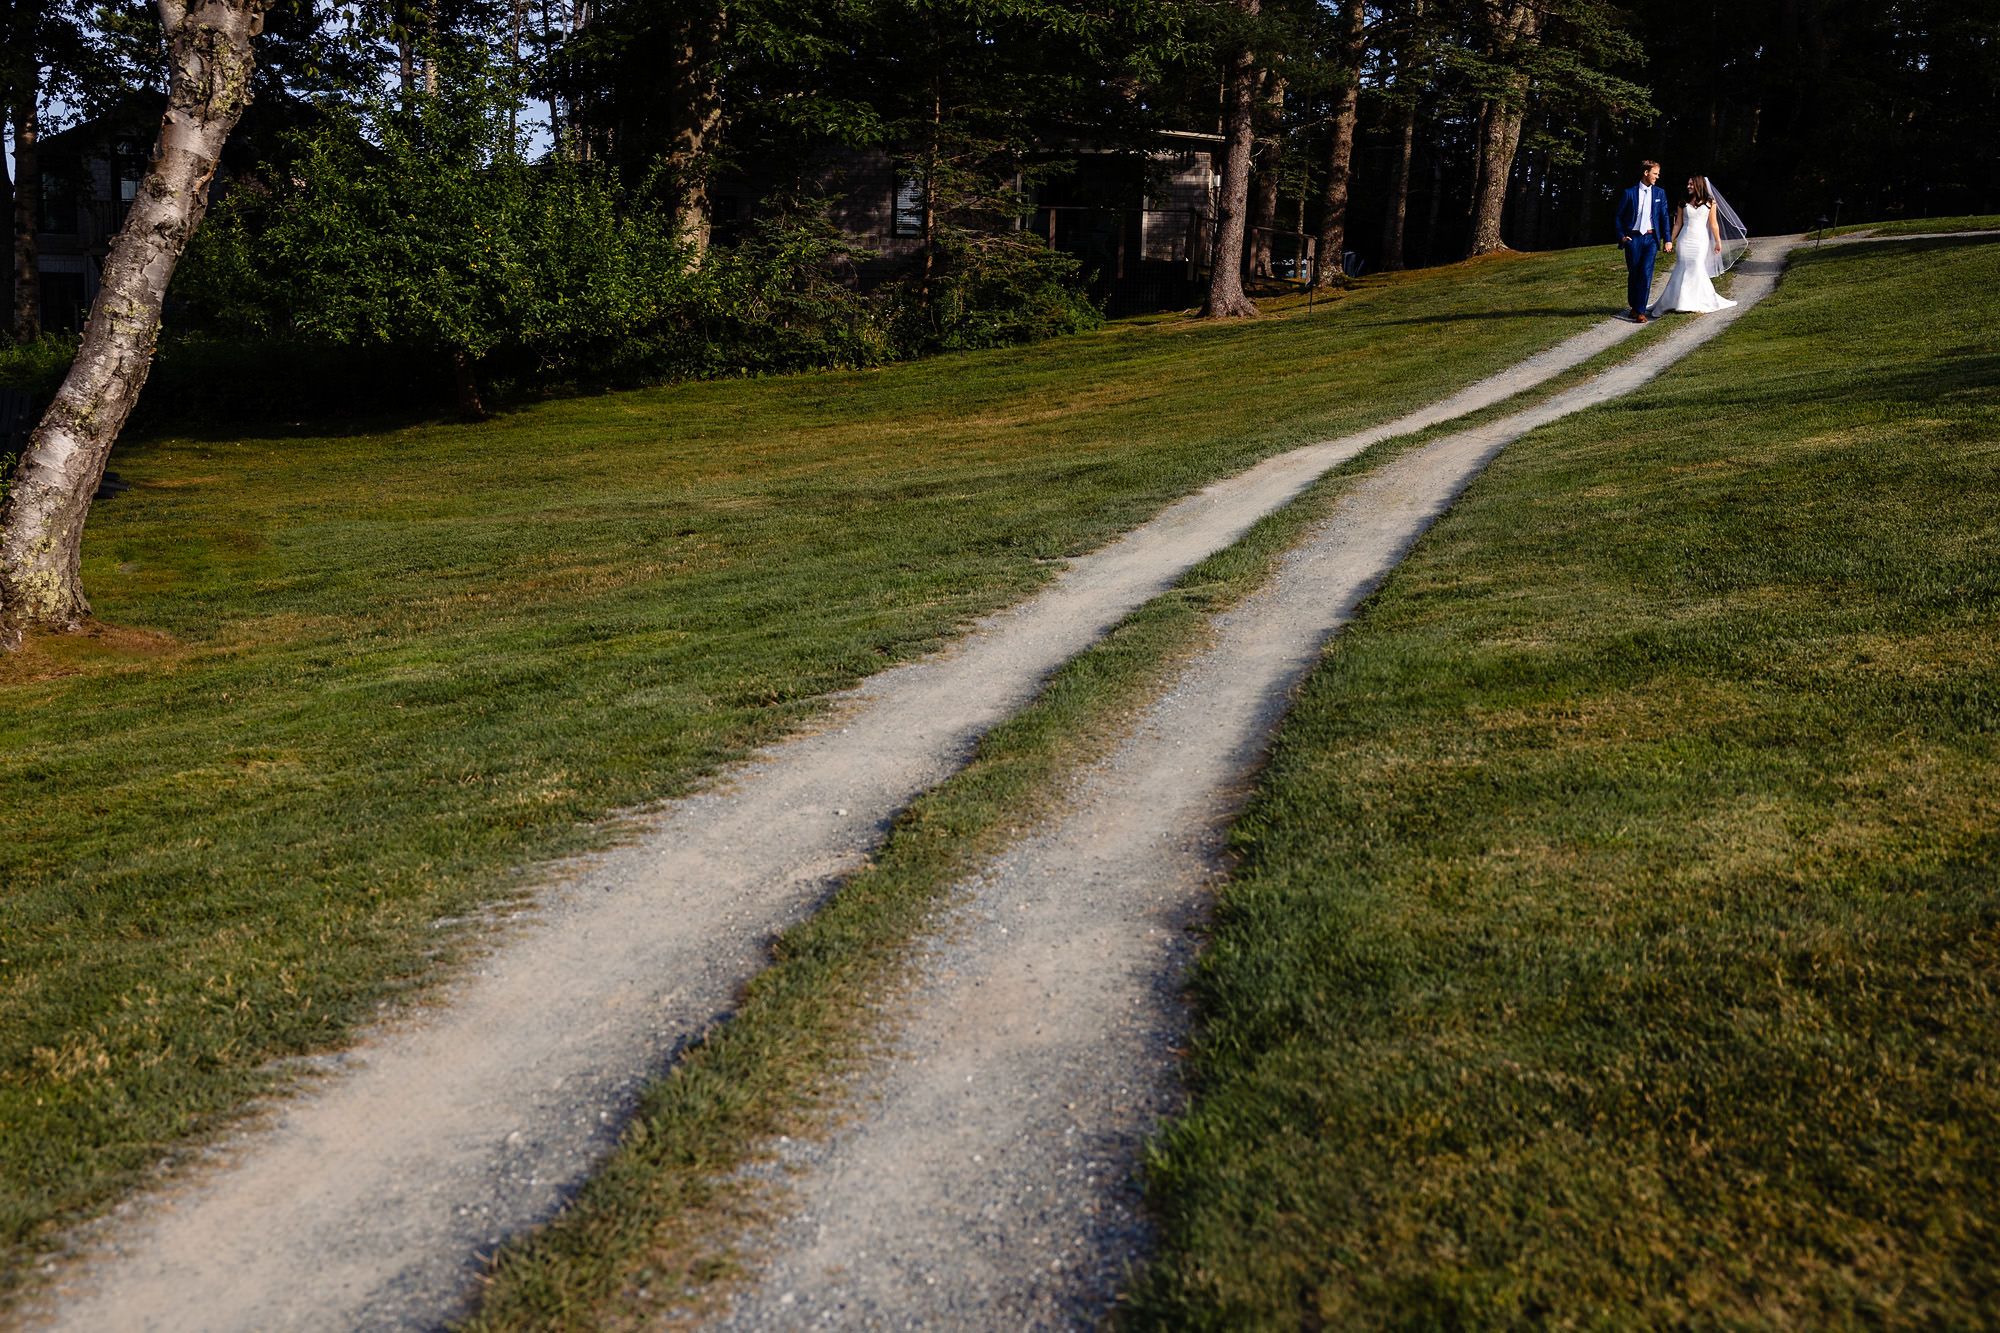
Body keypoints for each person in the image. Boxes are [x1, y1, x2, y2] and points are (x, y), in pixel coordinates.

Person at [1651, 176, 1747, 316]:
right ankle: (1676, 301)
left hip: (1700, 240)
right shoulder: (1683, 202)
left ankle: (1695, 300)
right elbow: (1678, 223)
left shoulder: (1710, 202)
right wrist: (1670, 240)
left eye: (1691, 184)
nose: (1688, 186)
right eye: (1688, 184)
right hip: (1685, 239)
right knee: (1681, 267)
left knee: (1696, 266)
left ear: (1699, 185)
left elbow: (1713, 224)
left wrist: (1718, 241)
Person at [1615, 161, 1673, 322]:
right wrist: (1622, 237)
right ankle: (1634, 306)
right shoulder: (1629, 193)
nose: (1657, 177)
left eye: (1658, 174)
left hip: (1651, 239)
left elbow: (1664, 218)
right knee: (1634, 273)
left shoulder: (1660, 193)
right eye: (1655, 173)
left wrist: (1667, 240)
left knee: (1646, 274)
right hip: (1633, 238)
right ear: (1646, 172)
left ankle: (1641, 311)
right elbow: (1618, 216)